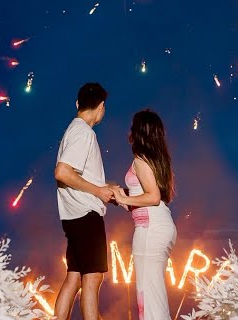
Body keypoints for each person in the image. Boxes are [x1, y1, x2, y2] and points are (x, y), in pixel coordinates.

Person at [53, 82, 114, 320]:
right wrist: (98, 192)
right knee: (93, 277)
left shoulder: (73, 129)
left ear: (78, 104)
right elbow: (63, 172)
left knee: (75, 276)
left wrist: (105, 188)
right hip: (86, 215)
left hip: (73, 215)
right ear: (101, 107)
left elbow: (78, 175)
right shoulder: (84, 133)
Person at [113, 109, 177, 320]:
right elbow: (147, 197)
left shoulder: (141, 160)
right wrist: (121, 196)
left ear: (138, 132)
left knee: (148, 295)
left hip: (151, 229)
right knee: (152, 293)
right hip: (158, 224)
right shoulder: (157, 161)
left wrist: (123, 199)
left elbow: (153, 196)